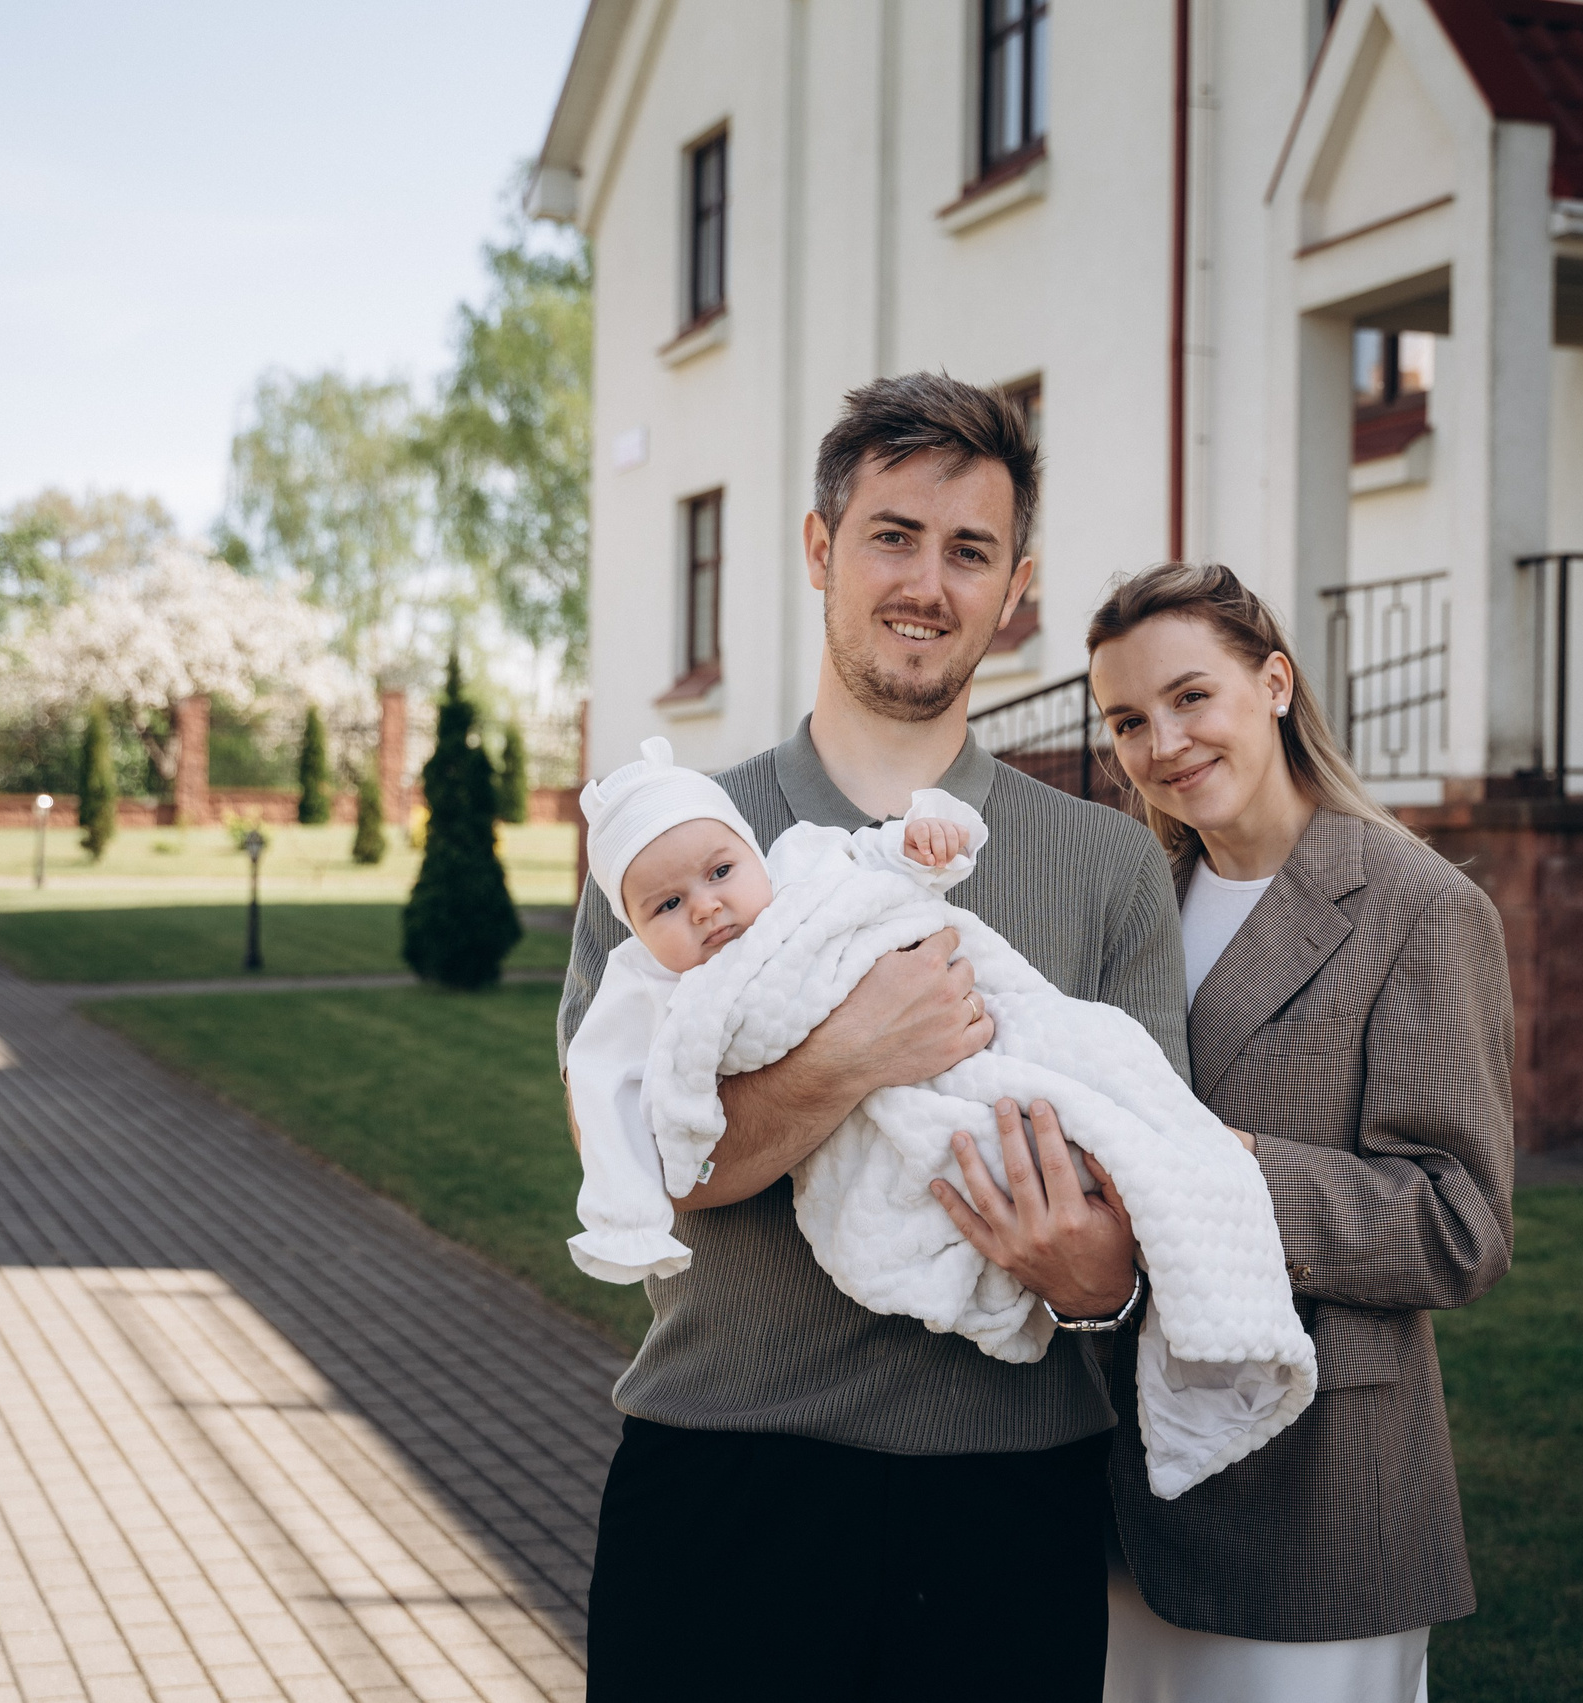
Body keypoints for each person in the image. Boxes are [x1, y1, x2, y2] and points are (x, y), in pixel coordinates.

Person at [557, 374, 1186, 1703]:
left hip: (1009, 1499)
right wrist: (856, 1052)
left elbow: (1151, 1186)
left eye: (970, 552)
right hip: (727, 1479)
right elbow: (641, 1171)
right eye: (894, 535)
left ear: (1014, 588)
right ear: (819, 549)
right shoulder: (672, 847)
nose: (927, 583)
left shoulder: (1104, 862)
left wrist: (1094, 1271)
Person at [939, 561, 1515, 1701]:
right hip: (1115, 1483)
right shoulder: (1136, 898)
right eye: (1127, 720)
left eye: (1191, 696)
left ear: (1275, 683)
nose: (1162, 742)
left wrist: (1236, 1170)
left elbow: (1459, 1223)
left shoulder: (1418, 906)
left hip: (1312, 1500)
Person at [561, 737, 983, 1285]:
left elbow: (871, 858)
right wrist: (628, 1221)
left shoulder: (797, 866)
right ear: (636, 932)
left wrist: (923, 841)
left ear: (752, 855)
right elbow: (602, 1089)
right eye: (668, 904)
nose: (705, 907)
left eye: (719, 873)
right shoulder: (643, 982)